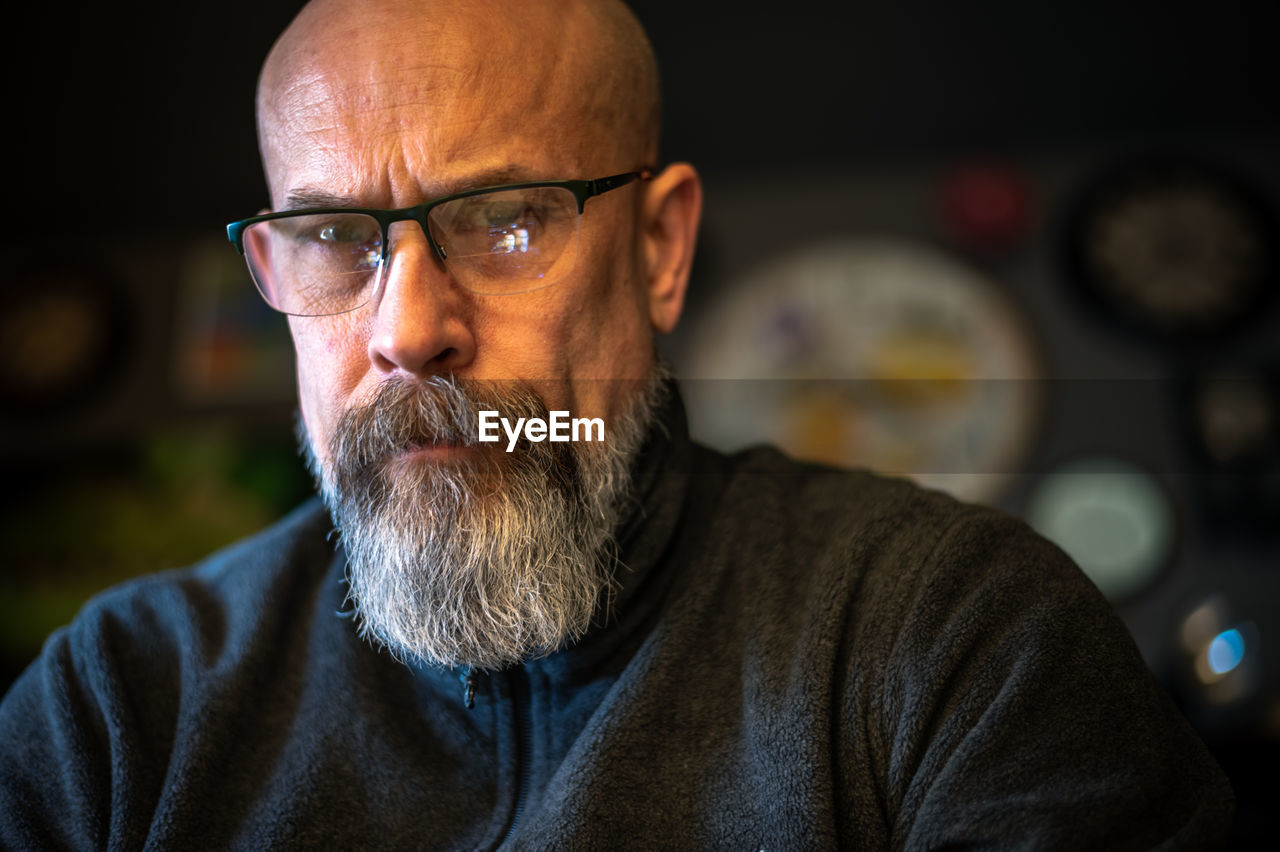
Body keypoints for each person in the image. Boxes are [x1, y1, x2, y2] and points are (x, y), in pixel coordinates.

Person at [0, 0, 1233, 848]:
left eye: (504, 221)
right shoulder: (119, 713)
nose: (405, 329)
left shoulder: (950, 638)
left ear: (658, 249)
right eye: (333, 240)